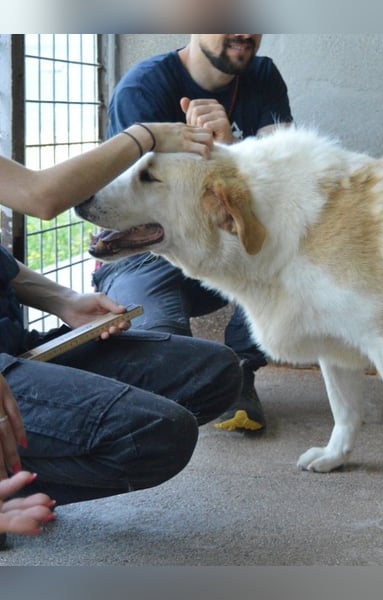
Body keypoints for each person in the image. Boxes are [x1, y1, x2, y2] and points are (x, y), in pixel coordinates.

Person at [0, 122, 241, 544]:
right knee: (158, 433)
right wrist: (145, 136)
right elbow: (40, 196)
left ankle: (12, 475)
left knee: (215, 372)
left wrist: (63, 300)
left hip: (12, 347)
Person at [92, 34, 294, 434]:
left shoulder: (264, 74)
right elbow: (129, 199)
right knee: (167, 354)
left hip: (218, 247)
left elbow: (282, 186)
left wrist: (230, 151)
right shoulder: (144, 87)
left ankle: (239, 375)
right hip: (145, 249)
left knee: (287, 248)